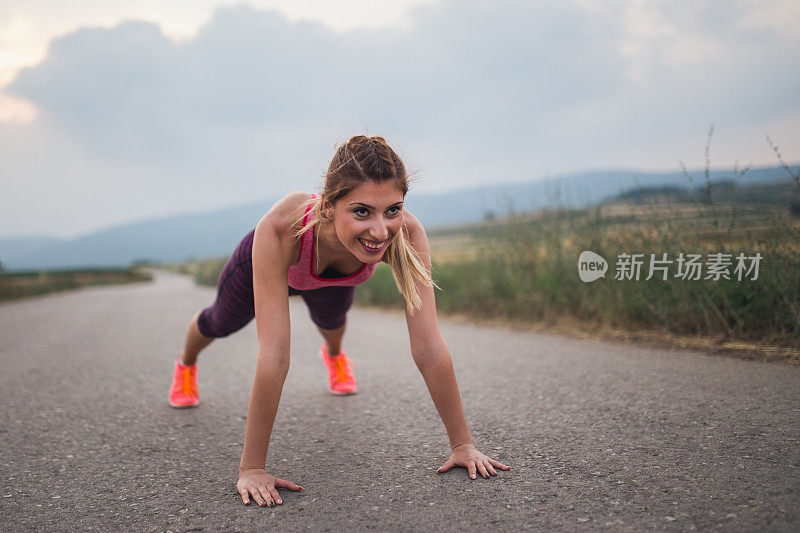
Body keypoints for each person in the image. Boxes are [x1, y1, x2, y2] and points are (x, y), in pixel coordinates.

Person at [168, 135, 510, 508]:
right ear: (329, 206)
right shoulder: (280, 228)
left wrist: (463, 444)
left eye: (392, 209)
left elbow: (428, 345)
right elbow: (274, 357)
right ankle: (186, 365)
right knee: (220, 322)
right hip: (276, 264)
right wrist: (252, 468)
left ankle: (334, 357)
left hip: (334, 275)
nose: (380, 231)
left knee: (333, 323)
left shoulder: (406, 234)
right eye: (362, 211)